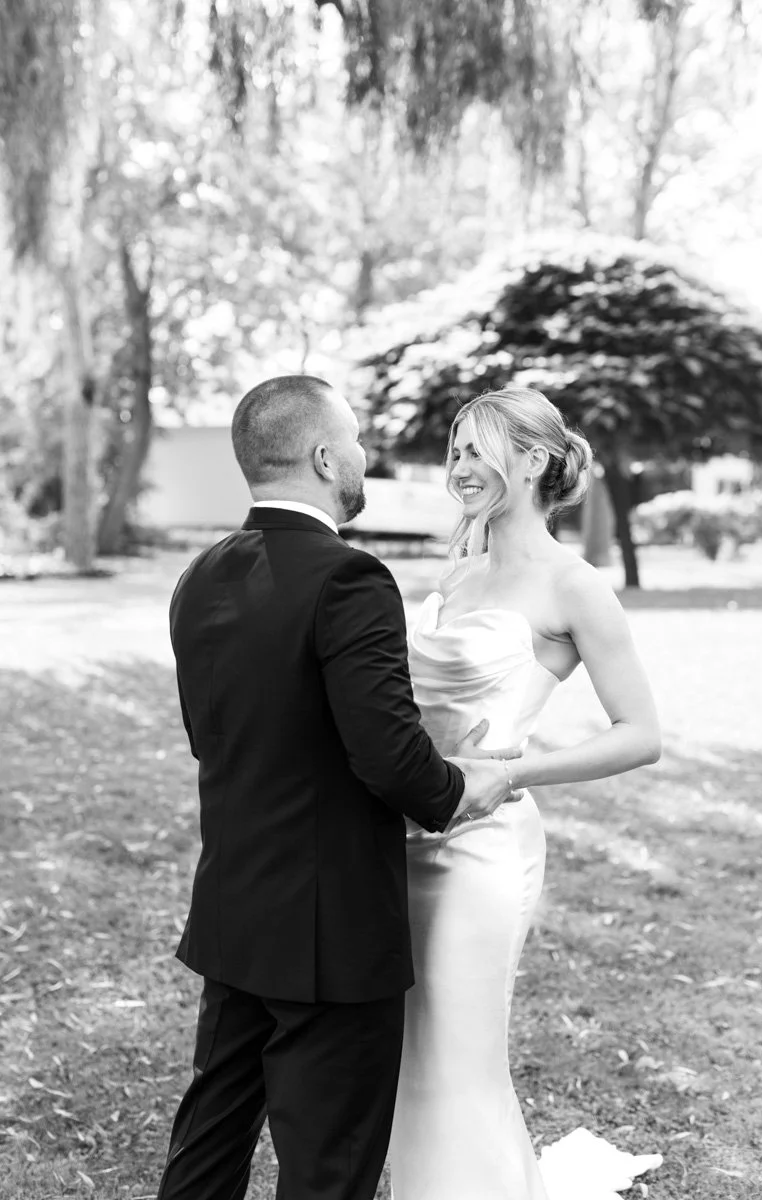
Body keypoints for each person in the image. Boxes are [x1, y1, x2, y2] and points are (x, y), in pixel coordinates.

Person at [155, 375, 522, 1200]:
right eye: (354, 441)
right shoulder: (349, 579)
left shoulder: (201, 575)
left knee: (209, 1142)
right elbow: (390, 757)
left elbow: (214, 736)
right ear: (325, 456)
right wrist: (467, 789)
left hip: (233, 910)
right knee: (329, 1165)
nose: (362, 456)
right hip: (331, 933)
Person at [388, 385, 663, 1200]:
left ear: (535, 458)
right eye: (455, 451)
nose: (459, 467)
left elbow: (641, 733)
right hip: (401, 837)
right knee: (407, 1050)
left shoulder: (574, 585)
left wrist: (511, 771)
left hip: (484, 848)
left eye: (477, 449)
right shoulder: (459, 573)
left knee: (460, 1057)